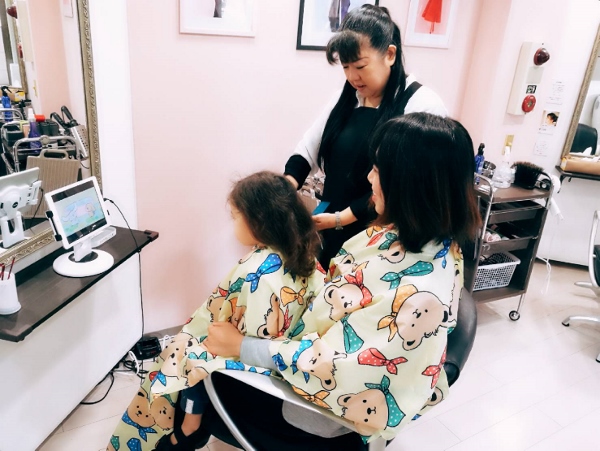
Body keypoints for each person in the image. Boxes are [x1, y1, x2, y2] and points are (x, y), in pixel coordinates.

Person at [189, 113, 482, 449]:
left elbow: (340, 368)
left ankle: (184, 430)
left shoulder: (417, 295)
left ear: (410, 184)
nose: (369, 177)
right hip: (311, 351)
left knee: (187, 363)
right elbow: (345, 292)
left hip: (316, 415)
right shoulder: (430, 243)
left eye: (378, 169)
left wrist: (242, 347)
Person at [108, 171, 325, 451]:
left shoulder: (259, 273)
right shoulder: (304, 254)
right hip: (282, 355)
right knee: (192, 344)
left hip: (257, 372)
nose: (233, 224)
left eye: (235, 217)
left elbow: (243, 343)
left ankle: (189, 427)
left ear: (257, 222)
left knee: (192, 351)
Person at [285, 5, 447, 268]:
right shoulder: (347, 99)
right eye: (346, 67)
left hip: (382, 235)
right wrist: (285, 187)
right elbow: (308, 148)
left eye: (360, 66)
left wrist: (342, 218)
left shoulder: (421, 106)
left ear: (390, 54)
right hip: (333, 225)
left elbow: (402, 184)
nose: (352, 77)